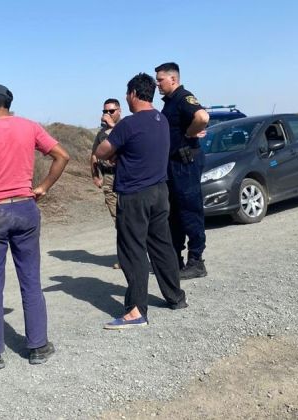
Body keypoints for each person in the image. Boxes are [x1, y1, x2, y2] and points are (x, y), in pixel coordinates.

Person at [0, 83, 70, 370]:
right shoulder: (30, 126)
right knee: (31, 278)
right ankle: (38, 346)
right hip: (24, 207)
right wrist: (43, 187)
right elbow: (62, 156)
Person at [94, 73, 187, 330]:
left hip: (134, 195)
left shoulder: (128, 124)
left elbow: (102, 151)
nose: (126, 97)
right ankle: (175, 297)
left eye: (127, 94)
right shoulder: (162, 120)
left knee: (132, 250)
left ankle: (135, 311)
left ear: (134, 94)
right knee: (162, 246)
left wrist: (115, 149)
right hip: (159, 191)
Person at [155, 62, 210, 279]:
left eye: (160, 80)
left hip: (185, 164)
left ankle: (196, 261)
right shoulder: (169, 103)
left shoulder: (183, 97)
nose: (157, 84)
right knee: (174, 214)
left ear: (173, 79)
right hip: (173, 165)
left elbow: (202, 117)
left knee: (190, 210)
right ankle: (175, 260)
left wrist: (189, 134)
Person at [90, 98, 122, 269]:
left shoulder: (125, 127)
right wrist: (96, 175)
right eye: (105, 111)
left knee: (131, 219)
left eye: (111, 111)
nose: (107, 114)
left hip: (125, 178)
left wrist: (113, 128)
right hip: (109, 179)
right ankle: (125, 257)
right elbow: (94, 155)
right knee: (118, 220)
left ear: (119, 111)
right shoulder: (101, 133)